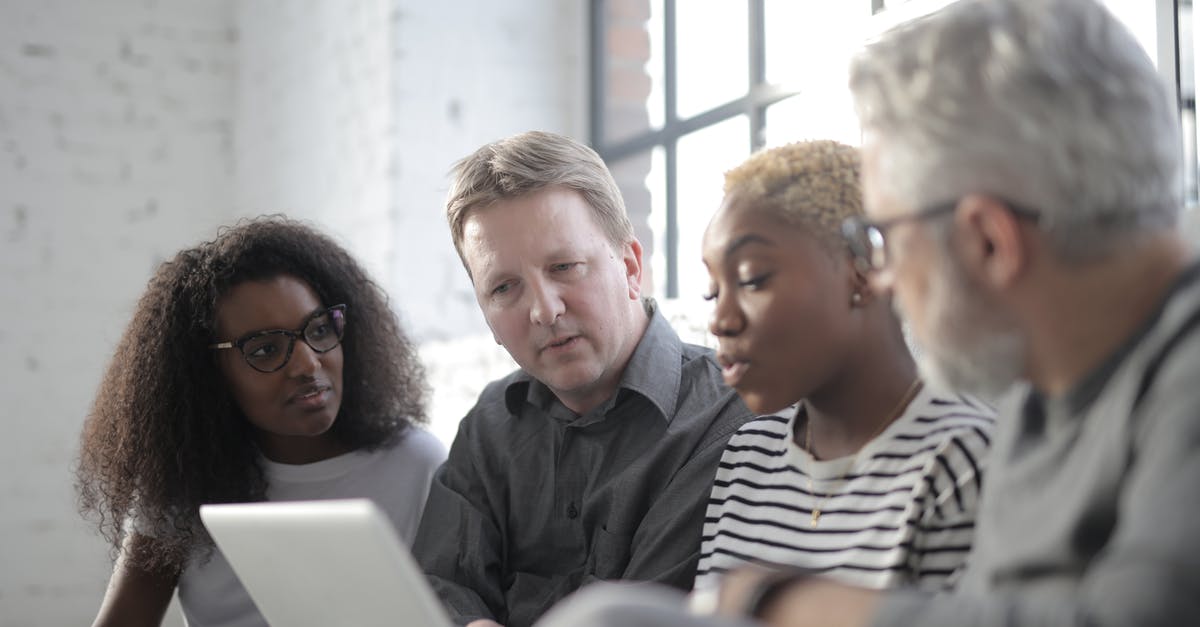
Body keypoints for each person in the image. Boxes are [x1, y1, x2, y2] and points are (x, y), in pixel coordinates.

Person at [536, 0, 1200, 625]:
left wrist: (779, 600)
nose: (881, 275)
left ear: (988, 240)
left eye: (878, 239)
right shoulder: (1041, 394)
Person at [412, 130, 754, 627]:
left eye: (565, 267)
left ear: (631, 266)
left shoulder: (726, 420)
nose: (544, 311)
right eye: (505, 287)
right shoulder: (490, 425)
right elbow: (437, 585)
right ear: (485, 314)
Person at [76, 216, 446, 627]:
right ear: (208, 375)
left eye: (319, 329)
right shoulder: (180, 482)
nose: (309, 363)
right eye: (267, 349)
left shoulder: (417, 465)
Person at [694, 140, 993, 595]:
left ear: (863, 272)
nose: (720, 320)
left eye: (752, 278)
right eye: (713, 292)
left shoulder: (963, 459)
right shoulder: (746, 456)